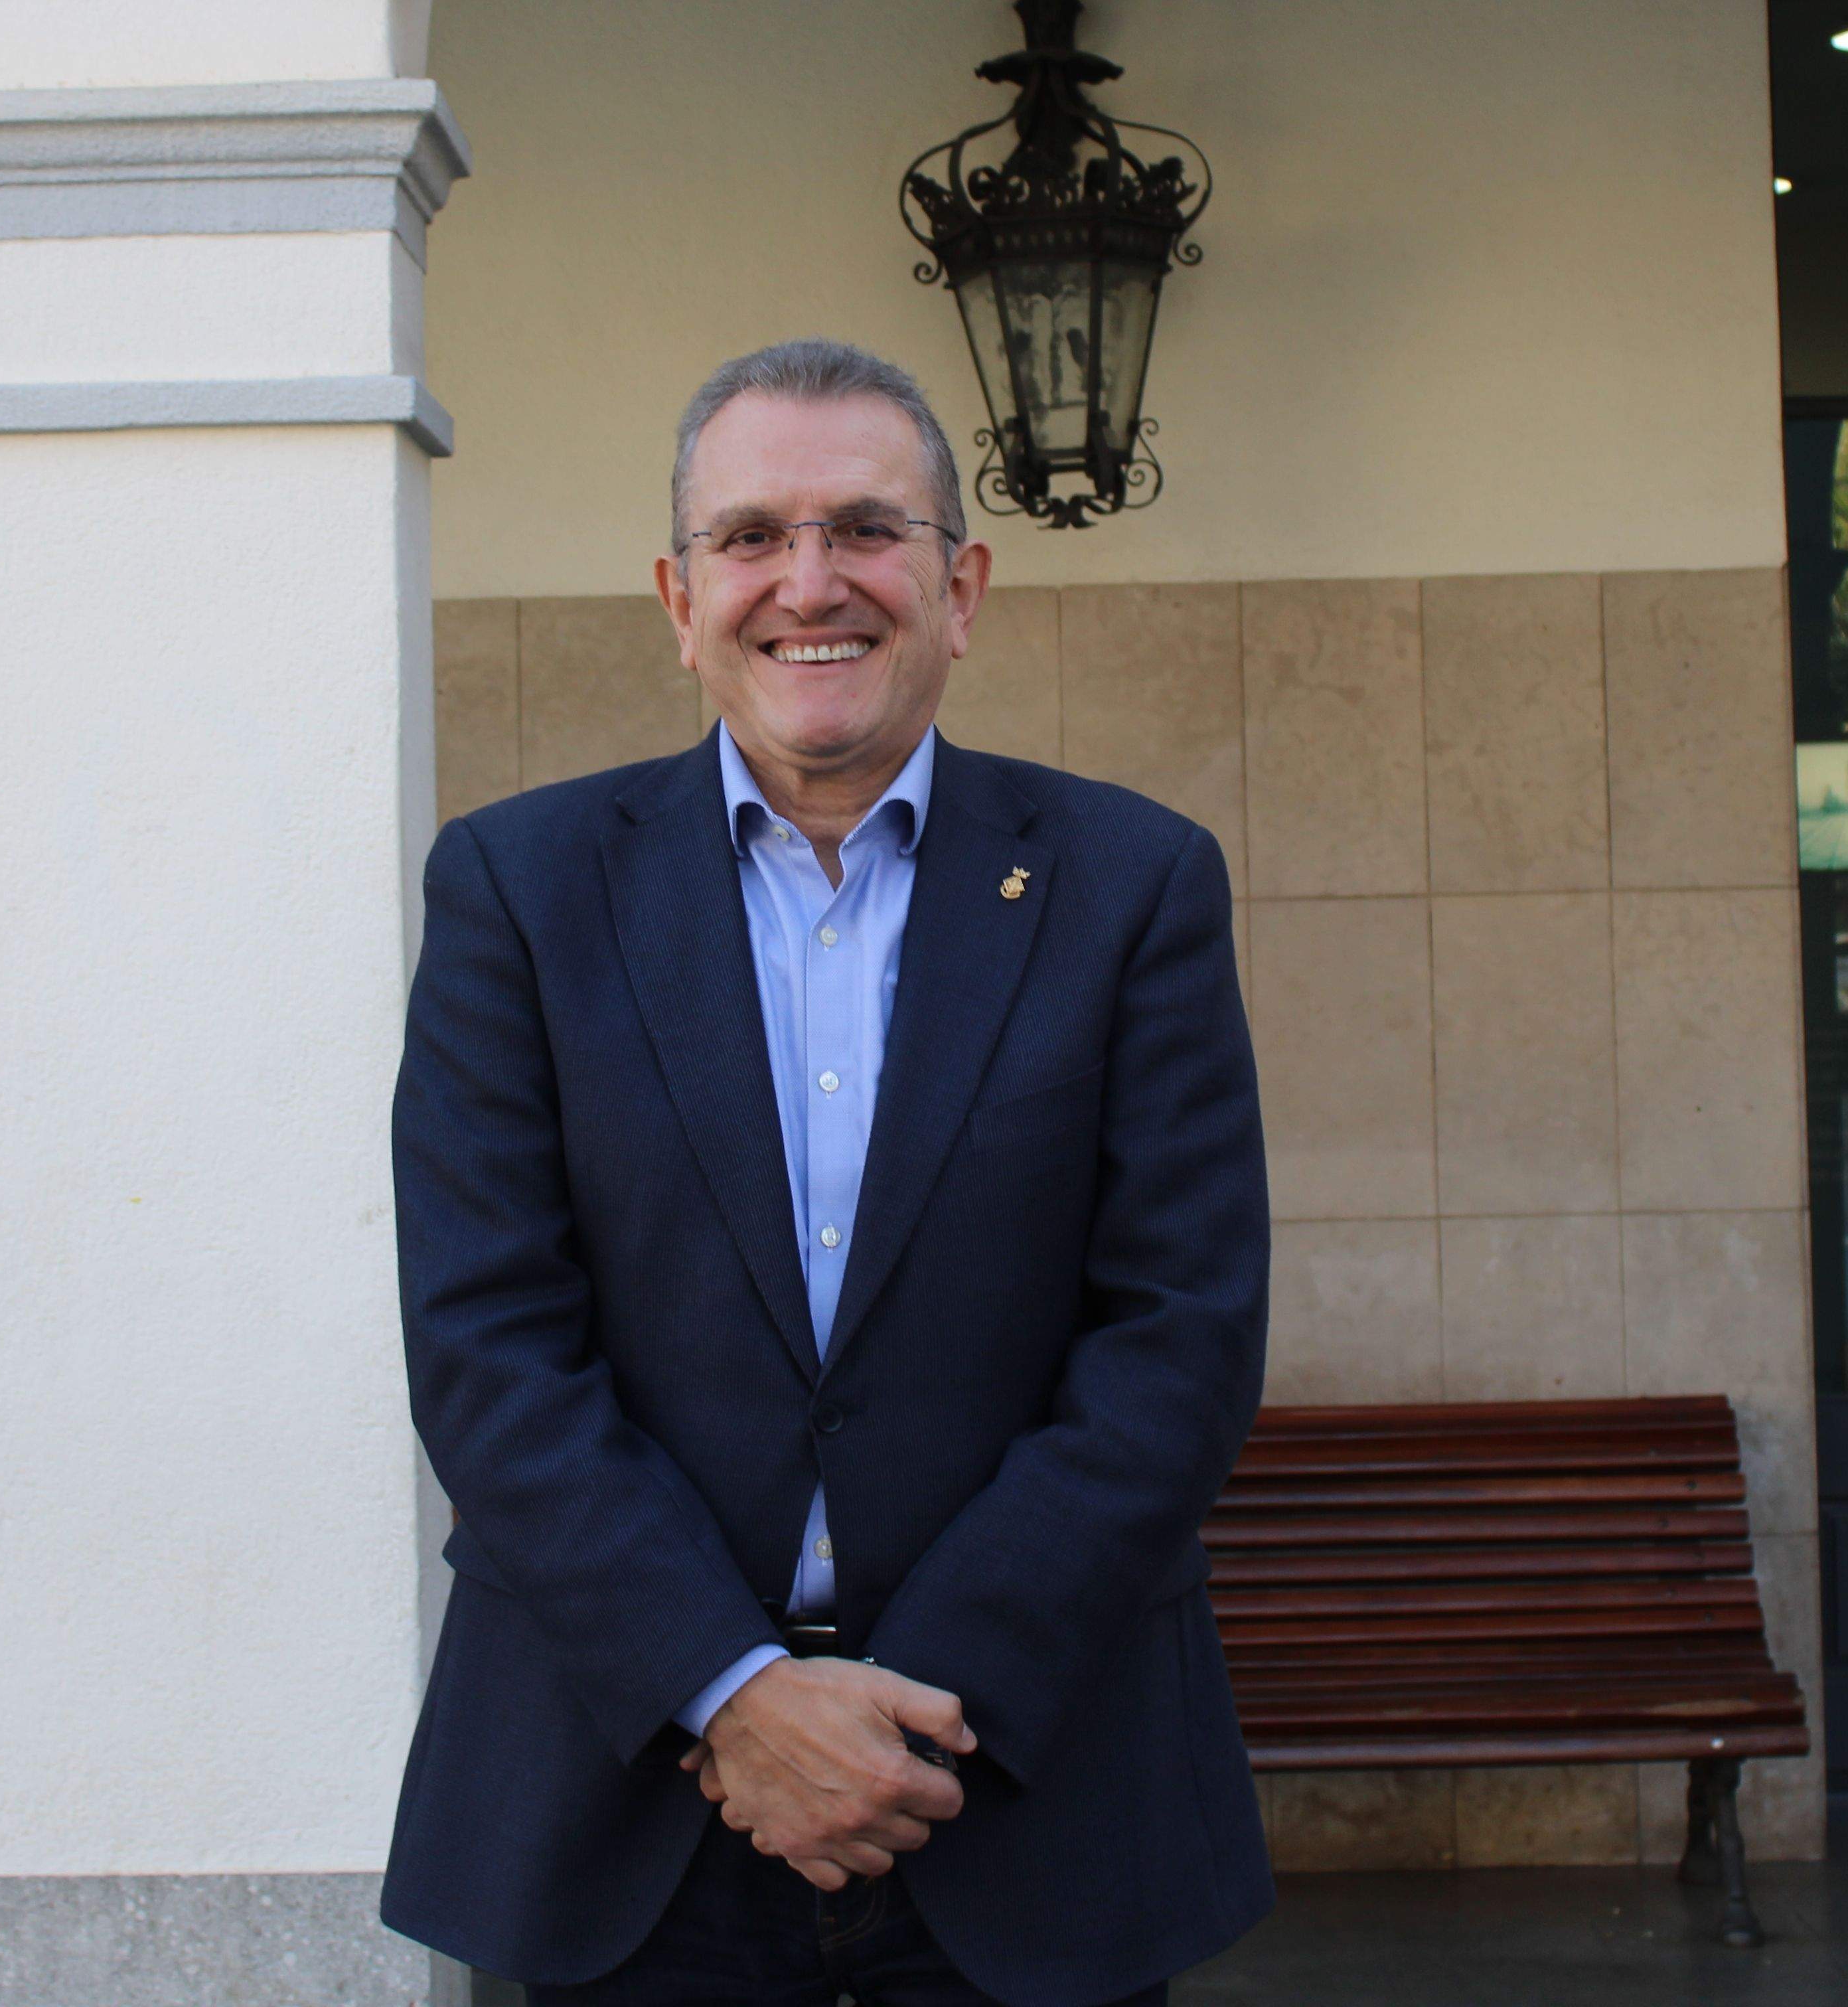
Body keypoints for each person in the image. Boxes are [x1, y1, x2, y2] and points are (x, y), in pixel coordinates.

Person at [381, 340, 1276, 2007]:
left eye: (869, 527)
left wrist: (899, 1713)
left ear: (961, 583)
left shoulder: (1134, 884)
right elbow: (488, 1341)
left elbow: (1180, 1334)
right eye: (751, 536)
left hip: (1021, 1785)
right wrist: (733, 1693)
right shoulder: (519, 889)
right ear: (677, 591)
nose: (811, 582)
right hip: (627, 1789)